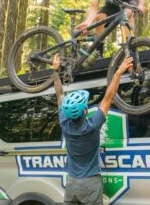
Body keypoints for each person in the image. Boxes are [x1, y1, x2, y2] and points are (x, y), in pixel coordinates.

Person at [53, 53, 133, 205]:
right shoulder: (92, 126)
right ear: (84, 111)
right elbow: (109, 96)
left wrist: (55, 71)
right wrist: (118, 72)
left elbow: (59, 94)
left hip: (72, 185)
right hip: (91, 185)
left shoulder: (65, 123)